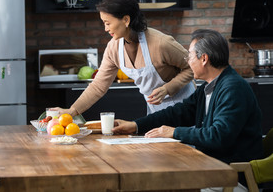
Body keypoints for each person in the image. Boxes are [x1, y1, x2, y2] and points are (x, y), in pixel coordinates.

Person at [112, 29, 263, 191]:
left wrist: (175, 132)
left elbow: (219, 136)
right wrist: (135, 125)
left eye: (190, 56)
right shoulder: (209, 86)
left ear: (204, 59)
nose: (188, 61)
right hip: (212, 168)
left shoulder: (233, 88)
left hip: (232, 176)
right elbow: (178, 113)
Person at [51, 0, 195, 117]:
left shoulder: (161, 43)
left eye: (108, 23)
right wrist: (73, 110)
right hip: (156, 110)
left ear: (126, 20)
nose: (105, 29)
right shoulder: (113, 48)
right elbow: (98, 86)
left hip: (184, 106)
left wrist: (167, 89)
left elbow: (193, 67)